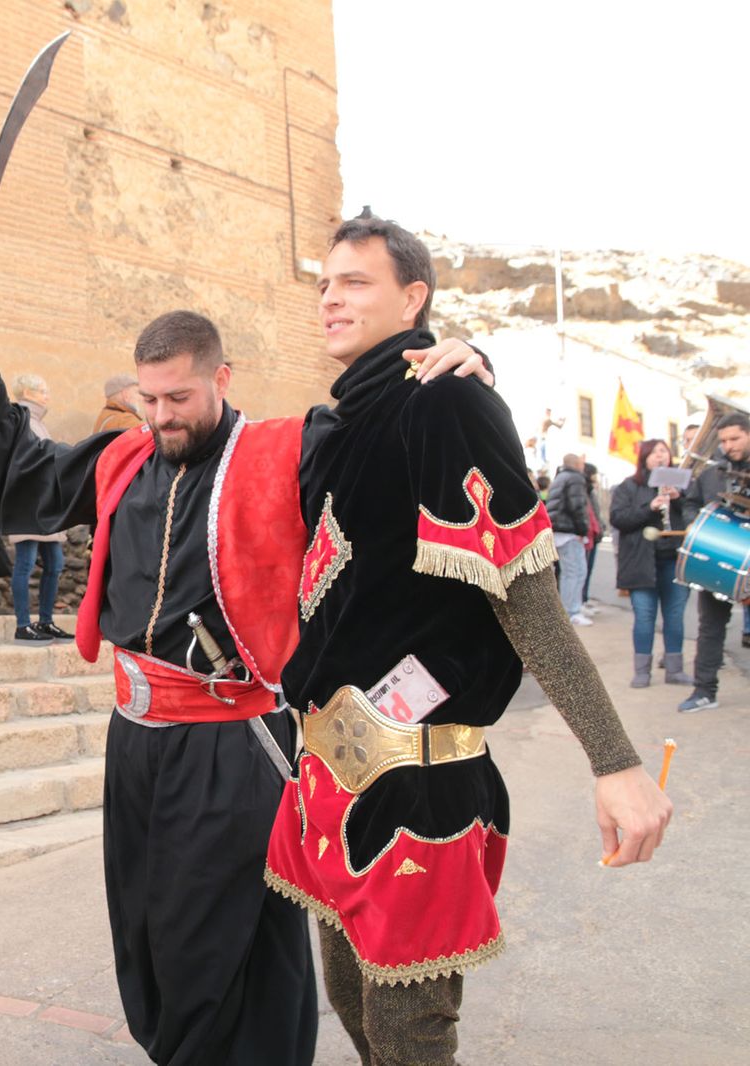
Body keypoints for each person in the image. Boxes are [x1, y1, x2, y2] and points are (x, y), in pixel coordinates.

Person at [0, 302, 491, 1066]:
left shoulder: (286, 448)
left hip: (233, 744)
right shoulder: (122, 458)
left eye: (180, 398)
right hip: (134, 740)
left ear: (222, 379)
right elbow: (21, 484)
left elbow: (388, 458)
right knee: (147, 934)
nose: (162, 417)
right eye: (150, 399)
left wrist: (458, 379)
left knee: (198, 945)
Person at [263, 215, 670, 1066]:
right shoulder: (341, 426)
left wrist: (614, 762)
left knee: (409, 1040)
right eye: (326, 283)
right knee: (357, 1015)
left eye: (357, 282)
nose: (332, 297)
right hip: (327, 776)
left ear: (414, 299)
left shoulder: (446, 400)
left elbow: (528, 601)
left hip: (418, 782)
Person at [677, 410, 750, 713]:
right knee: (709, 627)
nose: (728, 445)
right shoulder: (712, 473)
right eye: (724, 440)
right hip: (716, 561)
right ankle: (704, 691)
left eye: (735, 438)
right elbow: (691, 504)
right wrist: (697, 525)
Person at [609, 439, 691, 688]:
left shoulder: (682, 488)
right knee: (644, 617)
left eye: (664, 452)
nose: (660, 456)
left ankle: (675, 670)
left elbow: (693, 517)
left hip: (673, 560)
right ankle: (642, 671)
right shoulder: (629, 486)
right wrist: (650, 507)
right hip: (640, 562)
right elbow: (618, 518)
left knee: (675, 616)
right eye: (655, 452)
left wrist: (677, 500)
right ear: (644, 457)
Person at [4, 373, 72, 644]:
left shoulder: (38, 422)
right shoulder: (20, 420)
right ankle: (23, 624)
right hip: (28, 502)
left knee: (55, 562)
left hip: (46, 503)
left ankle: (45, 621)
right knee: (26, 563)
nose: (47, 395)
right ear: (29, 393)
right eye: (43, 390)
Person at [545, 453, 592, 625]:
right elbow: (577, 505)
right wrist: (582, 530)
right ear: (578, 464)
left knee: (569, 571)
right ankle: (571, 611)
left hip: (559, 529)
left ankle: (572, 606)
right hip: (569, 530)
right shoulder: (575, 478)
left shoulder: (560, 477)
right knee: (576, 571)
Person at [581, 460, 606, 613]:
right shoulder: (581, 488)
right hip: (586, 534)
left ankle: (583, 598)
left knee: (586, 570)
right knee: (580, 571)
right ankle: (579, 602)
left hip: (593, 534)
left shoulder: (589, 490)